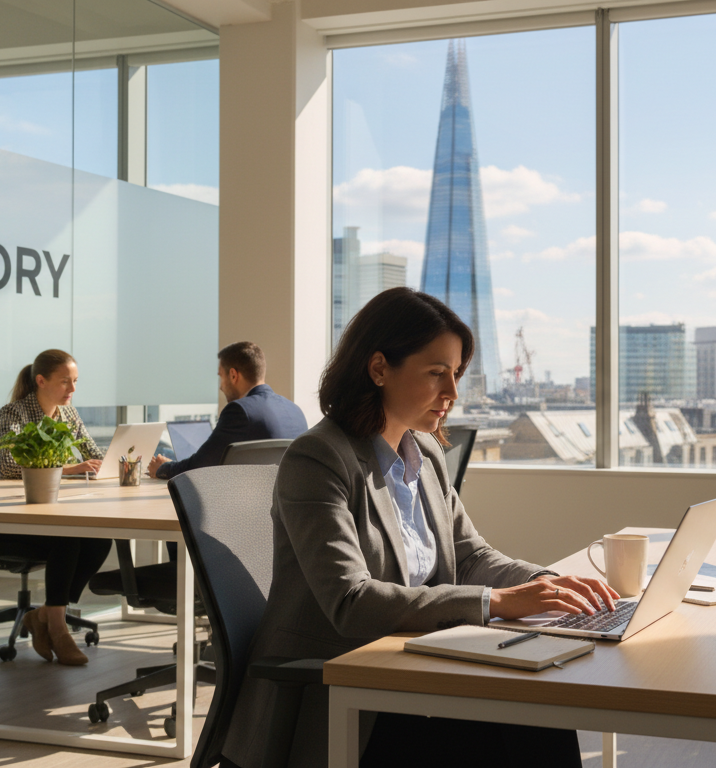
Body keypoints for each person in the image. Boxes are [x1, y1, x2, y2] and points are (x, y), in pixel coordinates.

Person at [221, 288, 616, 768]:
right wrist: (497, 603)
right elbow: (351, 602)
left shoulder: (425, 453)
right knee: (522, 724)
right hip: (340, 689)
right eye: (436, 374)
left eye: (455, 374)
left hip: (411, 666)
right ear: (379, 368)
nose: (452, 393)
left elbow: (470, 556)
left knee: (538, 709)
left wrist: (544, 583)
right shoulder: (319, 459)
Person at [0, 349, 111, 666]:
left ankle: (43, 614)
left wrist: (112, 464)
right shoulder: (14, 413)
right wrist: (70, 469)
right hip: (13, 518)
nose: (72, 390)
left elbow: (92, 454)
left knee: (102, 538)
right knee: (68, 537)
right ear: (41, 381)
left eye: (75, 382)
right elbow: (5, 465)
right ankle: (57, 628)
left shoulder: (67, 414)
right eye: (65, 382)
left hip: (51, 513)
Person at [147, 341, 308, 480]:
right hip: (284, 511)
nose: (220, 386)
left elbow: (200, 467)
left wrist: (163, 467)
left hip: (246, 508)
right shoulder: (295, 411)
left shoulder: (240, 411)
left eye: (221, 376)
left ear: (233, 375)